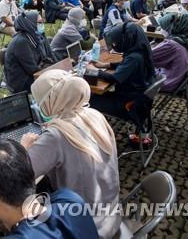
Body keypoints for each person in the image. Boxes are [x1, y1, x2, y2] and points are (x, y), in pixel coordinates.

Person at [21, 69, 120, 238]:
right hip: (111, 216)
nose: (37, 106)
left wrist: (23, 147)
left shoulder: (56, 135)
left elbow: (19, 173)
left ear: (51, 101)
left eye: (38, 101)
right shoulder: (93, 114)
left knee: (18, 214)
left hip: (85, 227)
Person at [90, 23, 156, 143]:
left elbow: (114, 79)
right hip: (138, 100)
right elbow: (126, 65)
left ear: (127, 38)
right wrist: (106, 65)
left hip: (128, 104)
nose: (116, 44)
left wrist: (95, 72)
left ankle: (95, 138)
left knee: (88, 100)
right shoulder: (141, 50)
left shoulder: (134, 57)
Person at [5, 11, 57, 93]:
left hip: (35, 72)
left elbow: (50, 54)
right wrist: (53, 75)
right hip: (21, 81)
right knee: (56, 85)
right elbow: (32, 69)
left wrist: (58, 68)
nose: (42, 24)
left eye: (42, 22)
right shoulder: (21, 42)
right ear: (30, 23)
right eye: (39, 22)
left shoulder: (38, 36)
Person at [152, 12, 188, 92]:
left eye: (163, 27)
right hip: (181, 80)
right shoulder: (187, 38)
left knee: (134, 70)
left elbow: (148, 57)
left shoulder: (172, 44)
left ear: (172, 27)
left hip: (168, 82)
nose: (161, 30)